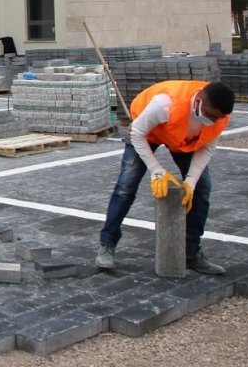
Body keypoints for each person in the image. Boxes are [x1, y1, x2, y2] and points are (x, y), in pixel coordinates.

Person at [96, 80, 235, 275]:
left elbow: (207, 148)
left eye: (217, 118)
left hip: (180, 138)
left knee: (202, 188)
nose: (212, 121)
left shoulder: (220, 117)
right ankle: (107, 244)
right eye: (210, 115)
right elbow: (137, 133)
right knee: (126, 187)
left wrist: (190, 182)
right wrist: (156, 170)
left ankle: (191, 253)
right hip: (145, 134)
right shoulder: (164, 104)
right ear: (200, 101)